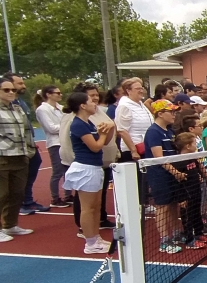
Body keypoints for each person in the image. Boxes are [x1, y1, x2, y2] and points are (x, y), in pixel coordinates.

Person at [62, 82, 119, 236]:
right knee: (87, 207)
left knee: (95, 206)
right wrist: (101, 134)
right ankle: (89, 239)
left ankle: (95, 236)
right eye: (90, 100)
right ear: (82, 105)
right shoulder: (78, 124)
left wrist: (111, 127)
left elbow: (105, 141)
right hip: (85, 167)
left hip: (96, 167)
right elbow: (95, 146)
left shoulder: (88, 122)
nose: (95, 102)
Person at [3, 72, 49, 214]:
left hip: (25, 148)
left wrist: (30, 144)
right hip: (7, 153)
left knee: (23, 181)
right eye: (19, 84)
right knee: (4, 190)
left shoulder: (18, 105)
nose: (23, 86)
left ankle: (25, 202)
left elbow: (25, 127)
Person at [143, 99, 183, 254]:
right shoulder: (153, 132)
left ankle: (176, 233)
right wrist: (175, 172)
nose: (174, 114)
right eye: (171, 112)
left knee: (173, 204)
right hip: (159, 175)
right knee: (163, 207)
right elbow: (159, 158)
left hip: (172, 175)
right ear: (160, 113)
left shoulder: (170, 131)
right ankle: (165, 240)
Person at [0, 77, 36, 242]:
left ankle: (10, 224)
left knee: (17, 192)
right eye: (6, 90)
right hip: (3, 157)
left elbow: (27, 130)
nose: (11, 93)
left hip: (20, 156)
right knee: (2, 194)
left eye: (12, 90)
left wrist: (29, 149)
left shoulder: (17, 108)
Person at [35, 85, 70, 207]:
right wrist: (66, 127)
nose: (60, 95)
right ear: (48, 94)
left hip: (65, 141)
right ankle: (55, 198)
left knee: (68, 169)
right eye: (57, 93)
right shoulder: (42, 109)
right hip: (55, 143)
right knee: (57, 171)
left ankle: (68, 194)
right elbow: (50, 128)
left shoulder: (60, 108)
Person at [173, 132, 207, 250]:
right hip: (186, 193)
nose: (196, 145)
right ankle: (190, 240)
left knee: (196, 213)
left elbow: (197, 170)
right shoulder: (178, 161)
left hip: (196, 190)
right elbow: (177, 183)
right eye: (194, 143)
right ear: (188, 146)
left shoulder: (192, 157)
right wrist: (181, 198)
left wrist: (205, 176)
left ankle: (198, 233)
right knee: (187, 218)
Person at [115, 77, 154, 163]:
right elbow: (122, 130)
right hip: (133, 151)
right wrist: (133, 151)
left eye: (141, 88)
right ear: (128, 91)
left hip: (144, 147)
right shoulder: (124, 106)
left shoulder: (140, 104)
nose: (141, 91)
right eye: (137, 89)